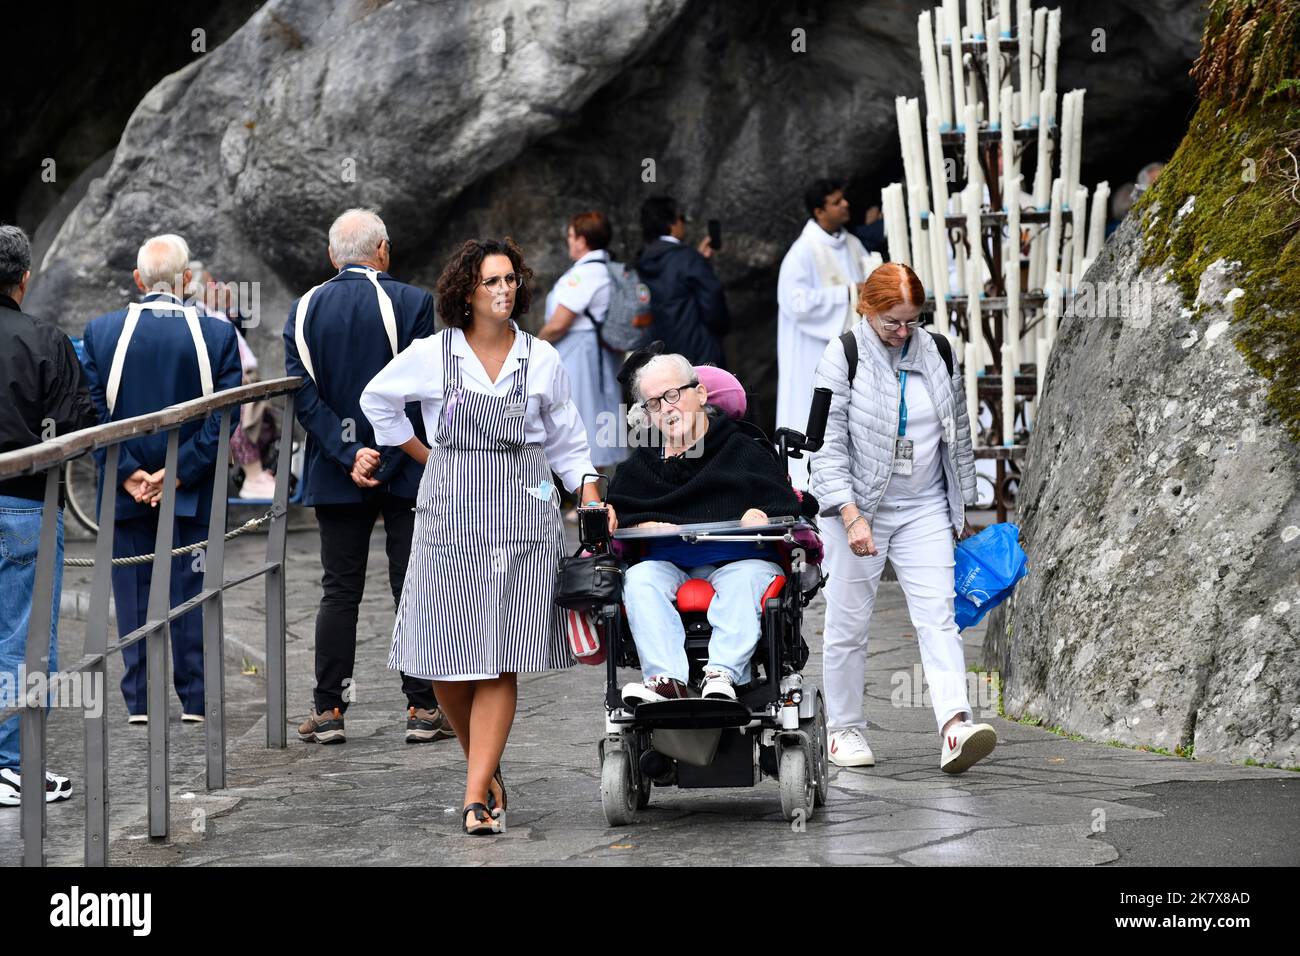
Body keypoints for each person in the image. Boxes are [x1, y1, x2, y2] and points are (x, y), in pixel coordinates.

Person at [361, 237, 607, 835]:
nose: (504, 291)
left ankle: (475, 796)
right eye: (491, 282)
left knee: (500, 658)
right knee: (443, 661)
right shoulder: (433, 353)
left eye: (510, 280)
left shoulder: (541, 357)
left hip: (525, 518)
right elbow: (377, 400)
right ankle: (486, 768)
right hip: (449, 515)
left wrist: (591, 493)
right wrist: (425, 455)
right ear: (466, 293)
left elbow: (568, 442)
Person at [809, 261, 997, 774]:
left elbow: (957, 431)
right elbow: (824, 448)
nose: (903, 332)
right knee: (848, 621)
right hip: (857, 506)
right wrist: (850, 515)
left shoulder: (937, 350)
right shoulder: (842, 354)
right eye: (892, 321)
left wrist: (962, 507)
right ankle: (843, 729)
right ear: (867, 310)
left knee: (938, 616)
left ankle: (955, 726)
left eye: (912, 320)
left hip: (924, 505)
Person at [282, 208, 451, 746]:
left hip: (336, 472)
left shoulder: (303, 308)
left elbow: (300, 394)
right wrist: (386, 453)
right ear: (383, 250)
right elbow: (425, 388)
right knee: (412, 584)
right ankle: (422, 709)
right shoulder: (413, 303)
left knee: (339, 590)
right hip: (404, 468)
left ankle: (329, 709)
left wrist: (348, 452)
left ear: (333, 256)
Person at [81, 234, 242, 725]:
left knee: (130, 594)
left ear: (137, 279)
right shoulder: (215, 335)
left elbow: (90, 413)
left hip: (125, 491)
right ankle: (195, 697)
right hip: (190, 489)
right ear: (187, 279)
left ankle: (140, 701)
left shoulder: (100, 332)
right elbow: (224, 419)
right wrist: (176, 474)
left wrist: (128, 472)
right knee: (191, 592)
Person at [605, 353, 801, 704]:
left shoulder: (743, 448)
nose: (666, 408)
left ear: (701, 394)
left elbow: (784, 503)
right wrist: (638, 521)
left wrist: (761, 512)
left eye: (673, 395)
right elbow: (622, 509)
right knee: (639, 580)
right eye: (653, 403)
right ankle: (666, 681)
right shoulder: (643, 463)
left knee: (744, 580)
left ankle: (722, 673)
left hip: (740, 560)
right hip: (668, 563)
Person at [0, 224, 98, 806]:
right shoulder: (44, 339)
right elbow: (78, 427)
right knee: (24, 638)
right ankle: (10, 765)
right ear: (26, 276)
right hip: (25, 506)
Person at [776, 179, 873, 488]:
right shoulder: (802, 252)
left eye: (844, 199)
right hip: (811, 353)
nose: (845, 205)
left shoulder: (853, 244)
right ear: (819, 211)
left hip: (848, 350)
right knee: (811, 410)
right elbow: (796, 303)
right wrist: (846, 293)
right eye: (836, 202)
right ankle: (807, 482)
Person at [537, 211, 627, 477]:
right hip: (596, 354)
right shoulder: (607, 269)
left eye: (571, 236)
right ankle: (591, 496)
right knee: (595, 421)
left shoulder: (585, 274)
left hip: (581, 354)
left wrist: (533, 346)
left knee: (582, 421)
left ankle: (589, 499)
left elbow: (559, 323)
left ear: (582, 240)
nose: (569, 242)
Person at [187, 261, 279, 500]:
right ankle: (252, 475)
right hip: (231, 382)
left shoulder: (216, 313)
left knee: (267, 422)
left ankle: (258, 472)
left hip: (248, 377)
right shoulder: (198, 314)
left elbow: (239, 331)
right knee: (240, 418)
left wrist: (230, 307)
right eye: (210, 283)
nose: (217, 286)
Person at [635, 196, 729, 367]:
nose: (683, 224)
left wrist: (697, 259)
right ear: (671, 223)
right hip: (698, 353)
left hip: (661, 357)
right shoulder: (688, 259)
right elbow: (713, 305)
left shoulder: (642, 260)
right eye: (682, 218)